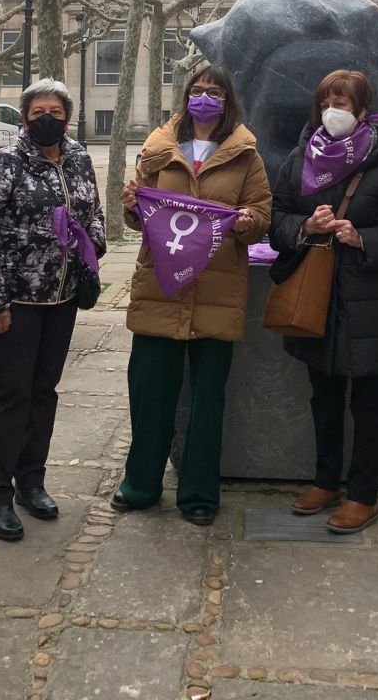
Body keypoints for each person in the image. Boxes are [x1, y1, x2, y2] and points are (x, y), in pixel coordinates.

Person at [113, 65, 271, 525]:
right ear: (185, 96)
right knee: (149, 394)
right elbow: (139, 215)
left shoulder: (246, 157)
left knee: (207, 401)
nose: (205, 97)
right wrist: (130, 206)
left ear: (228, 101)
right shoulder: (157, 149)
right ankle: (139, 484)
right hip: (161, 288)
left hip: (217, 291)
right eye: (198, 90)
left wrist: (246, 221)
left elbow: (262, 214)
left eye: (215, 92)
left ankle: (199, 493)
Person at [269, 69, 378, 534]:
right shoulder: (299, 159)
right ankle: (326, 480)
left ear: (361, 110)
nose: (335, 109)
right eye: (328, 100)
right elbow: (276, 218)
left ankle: (363, 494)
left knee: (370, 401)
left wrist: (362, 238)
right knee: (325, 397)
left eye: (346, 102)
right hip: (316, 297)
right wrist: (304, 227)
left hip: (368, 300)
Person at [0, 78, 106, 542]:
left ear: (67, 116)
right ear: (25, 118)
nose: (47, 117)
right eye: (38, 110)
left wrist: (93, 246)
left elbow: (93, 212)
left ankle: (32, 482)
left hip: (62, 297)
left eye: (56, 110)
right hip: (16, 300)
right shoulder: (5, 163)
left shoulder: (80, 157)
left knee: (44, 391)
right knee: (11, 395)